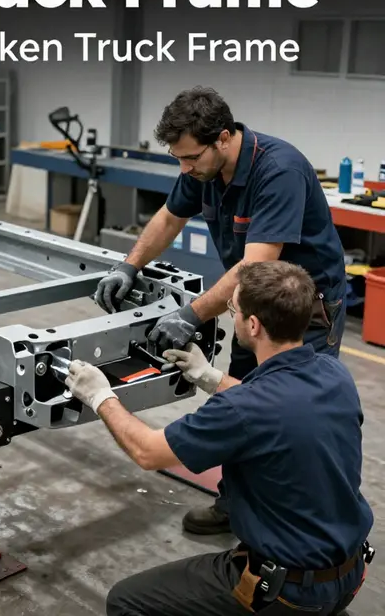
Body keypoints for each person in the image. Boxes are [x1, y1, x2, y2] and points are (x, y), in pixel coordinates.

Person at [93, 86, 348, 535]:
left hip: (304, 311)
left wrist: (191, 315)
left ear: (224, 138)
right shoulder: (203, 166)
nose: (185, 169)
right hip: (254, 305)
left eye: (190, 158)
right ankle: (235, 505)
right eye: (178, 159)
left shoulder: (279, 171)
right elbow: (169, 217)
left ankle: (297, 522)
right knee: (244, 398)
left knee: (294, 412)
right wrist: (129, 265)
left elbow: (254, 265)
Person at [68, 260, 373, 616]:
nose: (231, 315)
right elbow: (279, 407)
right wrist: (209, 376)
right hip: (349, 574)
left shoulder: (240, 409)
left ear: (253, 325)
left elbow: (147, 451)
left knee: (125, 601)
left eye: (233, 309)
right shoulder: (334, 373)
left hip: (288, 593)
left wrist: (100, 396)